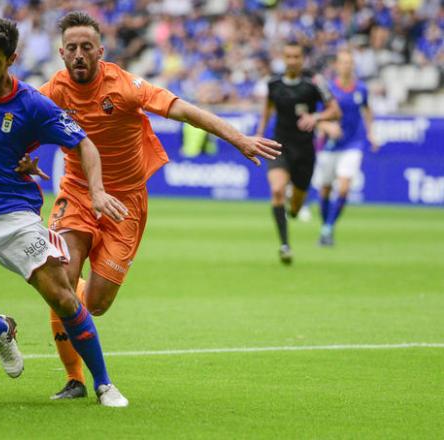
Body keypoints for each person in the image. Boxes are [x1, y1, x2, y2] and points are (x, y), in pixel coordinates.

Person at [18, 11, 281, 400]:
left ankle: (78, 296)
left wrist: (237, 137)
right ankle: (75, 379)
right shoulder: (52, 91)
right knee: (62, 283)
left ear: (100, 51)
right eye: (71, 48)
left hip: (125, 203)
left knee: (96, 304)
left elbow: (186, 111)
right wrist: (21, 159)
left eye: (86, 47)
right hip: (77, 194)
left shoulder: (124, 86)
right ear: (60, 52)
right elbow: (16, 125)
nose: (78, 54)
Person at [0, 18, 130, 407]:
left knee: (64, 299)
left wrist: (97, 191)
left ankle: (103, 384)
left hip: (16, 217)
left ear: (12, 60)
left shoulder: (32, 104)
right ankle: (1, 328)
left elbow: (84, 143)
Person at [256, 41, 341, 265]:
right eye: (289, 57)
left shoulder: (314, 82)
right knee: (277, 190)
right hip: (279, 146)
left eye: (297, 57)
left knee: (295, 205)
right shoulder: (273, 83)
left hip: (304, 151)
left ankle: (294, 210)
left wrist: (317, 117)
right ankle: (285, 245)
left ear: (302, 59)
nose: (292, 61)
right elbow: (267, 108)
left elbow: (335, 110)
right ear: (283, 58)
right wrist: (259, 134)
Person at [313, 49, 377, 246]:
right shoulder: (328, 89)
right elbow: (315, 117)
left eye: (350, 62)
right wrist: (327, 126)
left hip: (353, 144)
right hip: (330, 146)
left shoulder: (361, 89)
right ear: (337, 65)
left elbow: (366, 110)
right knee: (325, 189)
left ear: (353, 65)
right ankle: (325, 228)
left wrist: (371, 133)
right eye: (343, 62)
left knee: (344, 187)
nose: (346, 66)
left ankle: (328, 227)